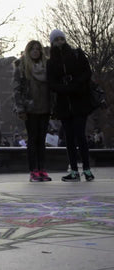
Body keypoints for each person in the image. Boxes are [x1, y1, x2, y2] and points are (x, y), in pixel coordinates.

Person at [46, 29, 95, 182]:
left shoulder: (77, 54)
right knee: (69, 138)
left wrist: (75, 84)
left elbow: (87, 72)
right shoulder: (51, 61)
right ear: (52, 42)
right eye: (56, 40)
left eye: (61, 39)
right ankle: (74, 170)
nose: (59, 42)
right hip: (63, 103)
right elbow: (51, 82)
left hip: (79, 100)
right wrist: (62, 88)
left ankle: (86, 169)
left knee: (80, 135)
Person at [13, 40, 53, 182]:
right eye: (33, 49)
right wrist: (20, 109)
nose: (36, 51)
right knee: (33, 139)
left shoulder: (47, 67)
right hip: (29, 108)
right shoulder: (22, 67)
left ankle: (42, 169)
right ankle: (33, 171)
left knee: (42, 140)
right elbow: (17, 90)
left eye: (38, 49)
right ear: (28, 51)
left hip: (45, 107)